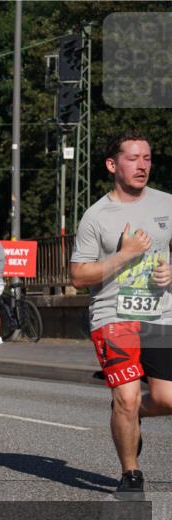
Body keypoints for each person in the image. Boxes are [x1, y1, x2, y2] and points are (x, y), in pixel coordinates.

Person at [70, 130, 172, 497]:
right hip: (113, 316)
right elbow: (78, 276)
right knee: (125, 397)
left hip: (161, 316)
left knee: (165, 400)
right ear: (113, 165)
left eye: (147, 157)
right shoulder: (96, 216)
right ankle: (131, 473)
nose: (142, 165)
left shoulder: (167, 203)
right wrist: (124, 255)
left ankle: (134, 418)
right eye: (133, 158)